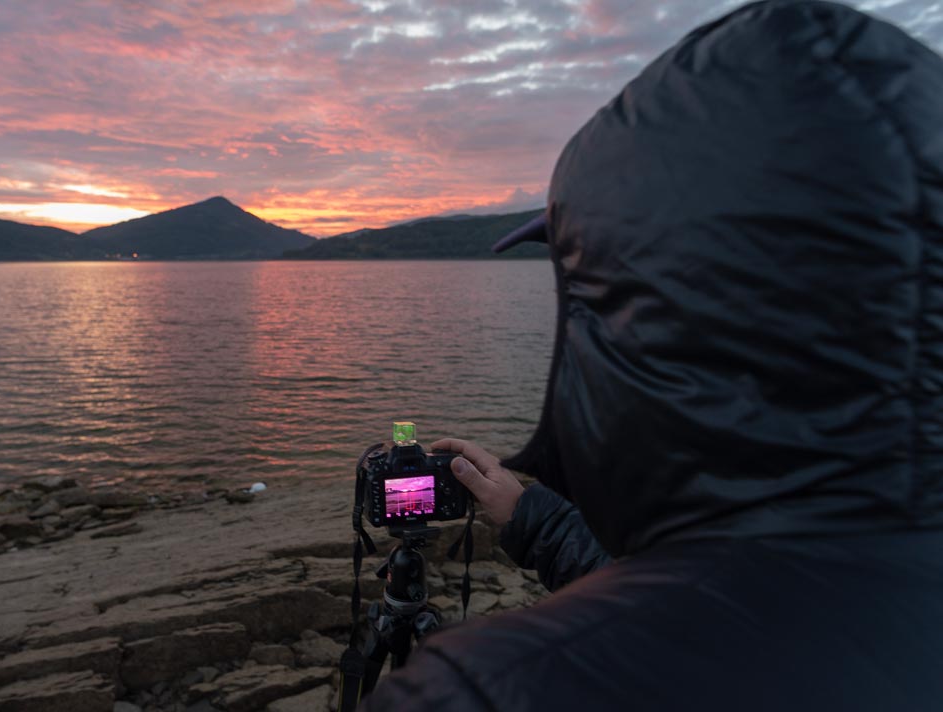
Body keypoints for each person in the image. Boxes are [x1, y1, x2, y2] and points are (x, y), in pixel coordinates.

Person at [361, 1, 943, 710]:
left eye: (589, 289)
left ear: (664, 312)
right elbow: (745, 602)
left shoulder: (492, 689)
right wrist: (537, 518)